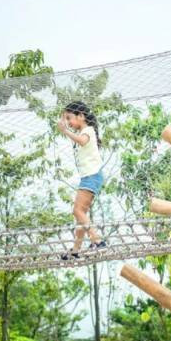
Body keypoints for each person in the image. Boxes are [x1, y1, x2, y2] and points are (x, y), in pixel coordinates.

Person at [57, 101, 107, 260]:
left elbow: (82, 141)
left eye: (70, 118)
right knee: (81, 215)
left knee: (77, 211)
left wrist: (65, 131)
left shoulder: (88, 130)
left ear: (81, 116)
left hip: (92, 176)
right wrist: (65, 125)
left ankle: (97, 241)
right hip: (90, 176)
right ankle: (76, 250)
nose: (69, 123)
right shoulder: (85, 131)